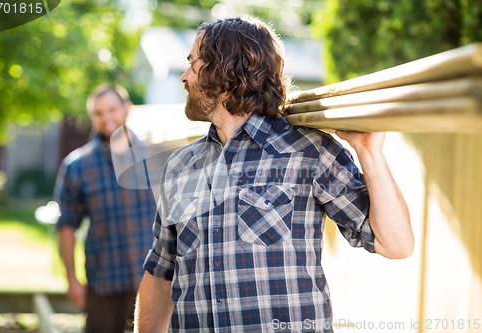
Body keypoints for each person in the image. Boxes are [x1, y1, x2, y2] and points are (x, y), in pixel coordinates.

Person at [134, 17, 414, 333]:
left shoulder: (309, 151)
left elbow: (396, 245)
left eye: (193, 64)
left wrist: (370, 153)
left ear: (226, 70)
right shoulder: (182, 166)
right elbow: (160, 273)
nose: (184, 77)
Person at [54, 84, 157, 333]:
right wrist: (71, 279)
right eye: (99, 113)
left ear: (127, 109)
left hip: (154, 284)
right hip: (103, 284)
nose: (106, 118)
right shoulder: (77, 166)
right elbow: (66, 226)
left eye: (112, 109)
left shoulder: (156, 157)